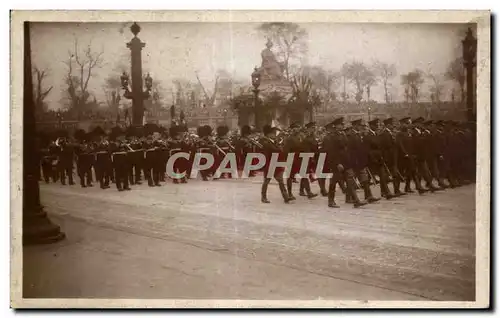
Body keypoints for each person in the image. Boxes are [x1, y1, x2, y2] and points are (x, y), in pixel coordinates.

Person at [348, 119, 380, 203]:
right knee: (351, 180)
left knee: (364, 178)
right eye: (359, 125)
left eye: (361, 126)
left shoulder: (358, 134)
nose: (361, 127)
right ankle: (349, 198)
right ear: (355, 125)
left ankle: (368, 196)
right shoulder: (351, 135)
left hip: (360, 160)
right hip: (354, 161)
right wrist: (354, 160)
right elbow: (351, 150)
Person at [260, 125, 290, 204]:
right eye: (273, 133)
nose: (274, 135)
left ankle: (286, 196)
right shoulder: (266, 142)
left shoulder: (272, 141)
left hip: (276, 164)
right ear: (268, 134)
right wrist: (280, 143)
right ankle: (263, 197)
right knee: (266, 181)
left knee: (280, 181)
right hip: (269, 164)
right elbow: (275, 150)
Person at [366, 118, 395, 200]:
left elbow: (380, 147)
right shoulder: (368, 136)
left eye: (378, 125)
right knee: (367, 178)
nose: (377, 126)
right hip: (371, 160)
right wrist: (372, 158)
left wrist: (381, 156)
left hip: (379, 159)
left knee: (382, 175)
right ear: (371, 126)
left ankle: (385, 192)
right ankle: (367, 194)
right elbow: (367, 149)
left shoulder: (376, 134)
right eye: (376, 125)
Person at [380, 117, 406, 197]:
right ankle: (385, 191)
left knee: (395, 174)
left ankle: (395, 190)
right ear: (388, 125)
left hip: (393, 157)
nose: (393, 126)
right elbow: (386, 146)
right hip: (388, 157)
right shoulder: (384, 134)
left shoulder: (390, 133)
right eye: (392, 124)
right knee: (386, 175)